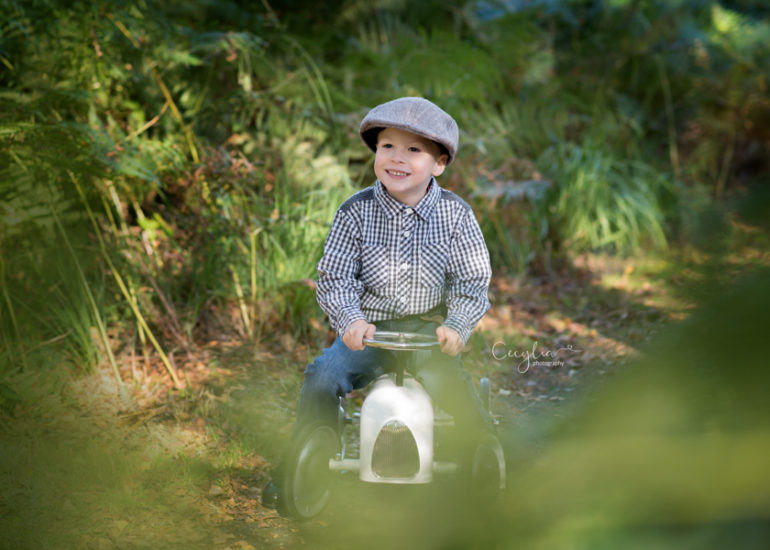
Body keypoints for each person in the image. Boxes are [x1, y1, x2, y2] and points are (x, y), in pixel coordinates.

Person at [262, 96, 495, 510]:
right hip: (369, 329)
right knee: (322, 374)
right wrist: (350, 320)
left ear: (439, 163)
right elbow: (335, 276)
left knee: (451, 386)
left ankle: (480, 454)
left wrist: (457, 325)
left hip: (427, 331)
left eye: (413, 149)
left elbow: (472, 280)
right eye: (387, 146)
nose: (397, 158)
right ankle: (307, 461)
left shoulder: (456, 216)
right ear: (375, 151)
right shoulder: (356, 212)